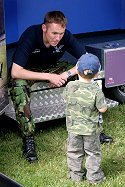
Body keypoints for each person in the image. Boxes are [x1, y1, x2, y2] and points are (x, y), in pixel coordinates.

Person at [9, 10, 112, 163]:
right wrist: (49, 77)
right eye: (54, 33)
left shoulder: (66, 36)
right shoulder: (31, 35)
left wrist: (65, 75)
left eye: (61, 34)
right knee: (18, 85)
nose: (58, 38)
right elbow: (16, 71)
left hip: (53, 67)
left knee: (85, 73)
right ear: (44, 28)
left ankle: (93, 130)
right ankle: (28, 139)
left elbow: (87, 60)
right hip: (30, 70)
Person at [62, 53, 107, 184]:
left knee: (74, 151)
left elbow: (65, 98)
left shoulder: (70, 86)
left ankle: (75, 176)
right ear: (97, 73)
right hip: (90, 130)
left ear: (77, 68)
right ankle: (94, 177)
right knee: (93, 153)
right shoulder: (96, 91)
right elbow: (102, 109)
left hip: (73, 128)